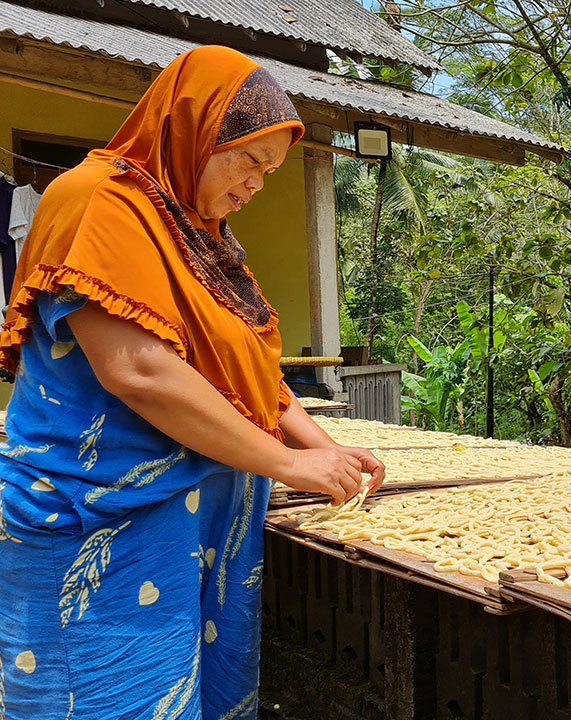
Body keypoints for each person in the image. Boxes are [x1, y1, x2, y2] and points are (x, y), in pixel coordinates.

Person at [0, 46, 385, 718]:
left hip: (191, 535)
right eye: (250, 161)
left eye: (270, 172)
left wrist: (330, 454)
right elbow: (141, 371)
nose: (257, 185)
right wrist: (290, 463)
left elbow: (254, 379)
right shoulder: (97, 204)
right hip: (96, 529)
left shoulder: (200, 240)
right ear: (195, 130)